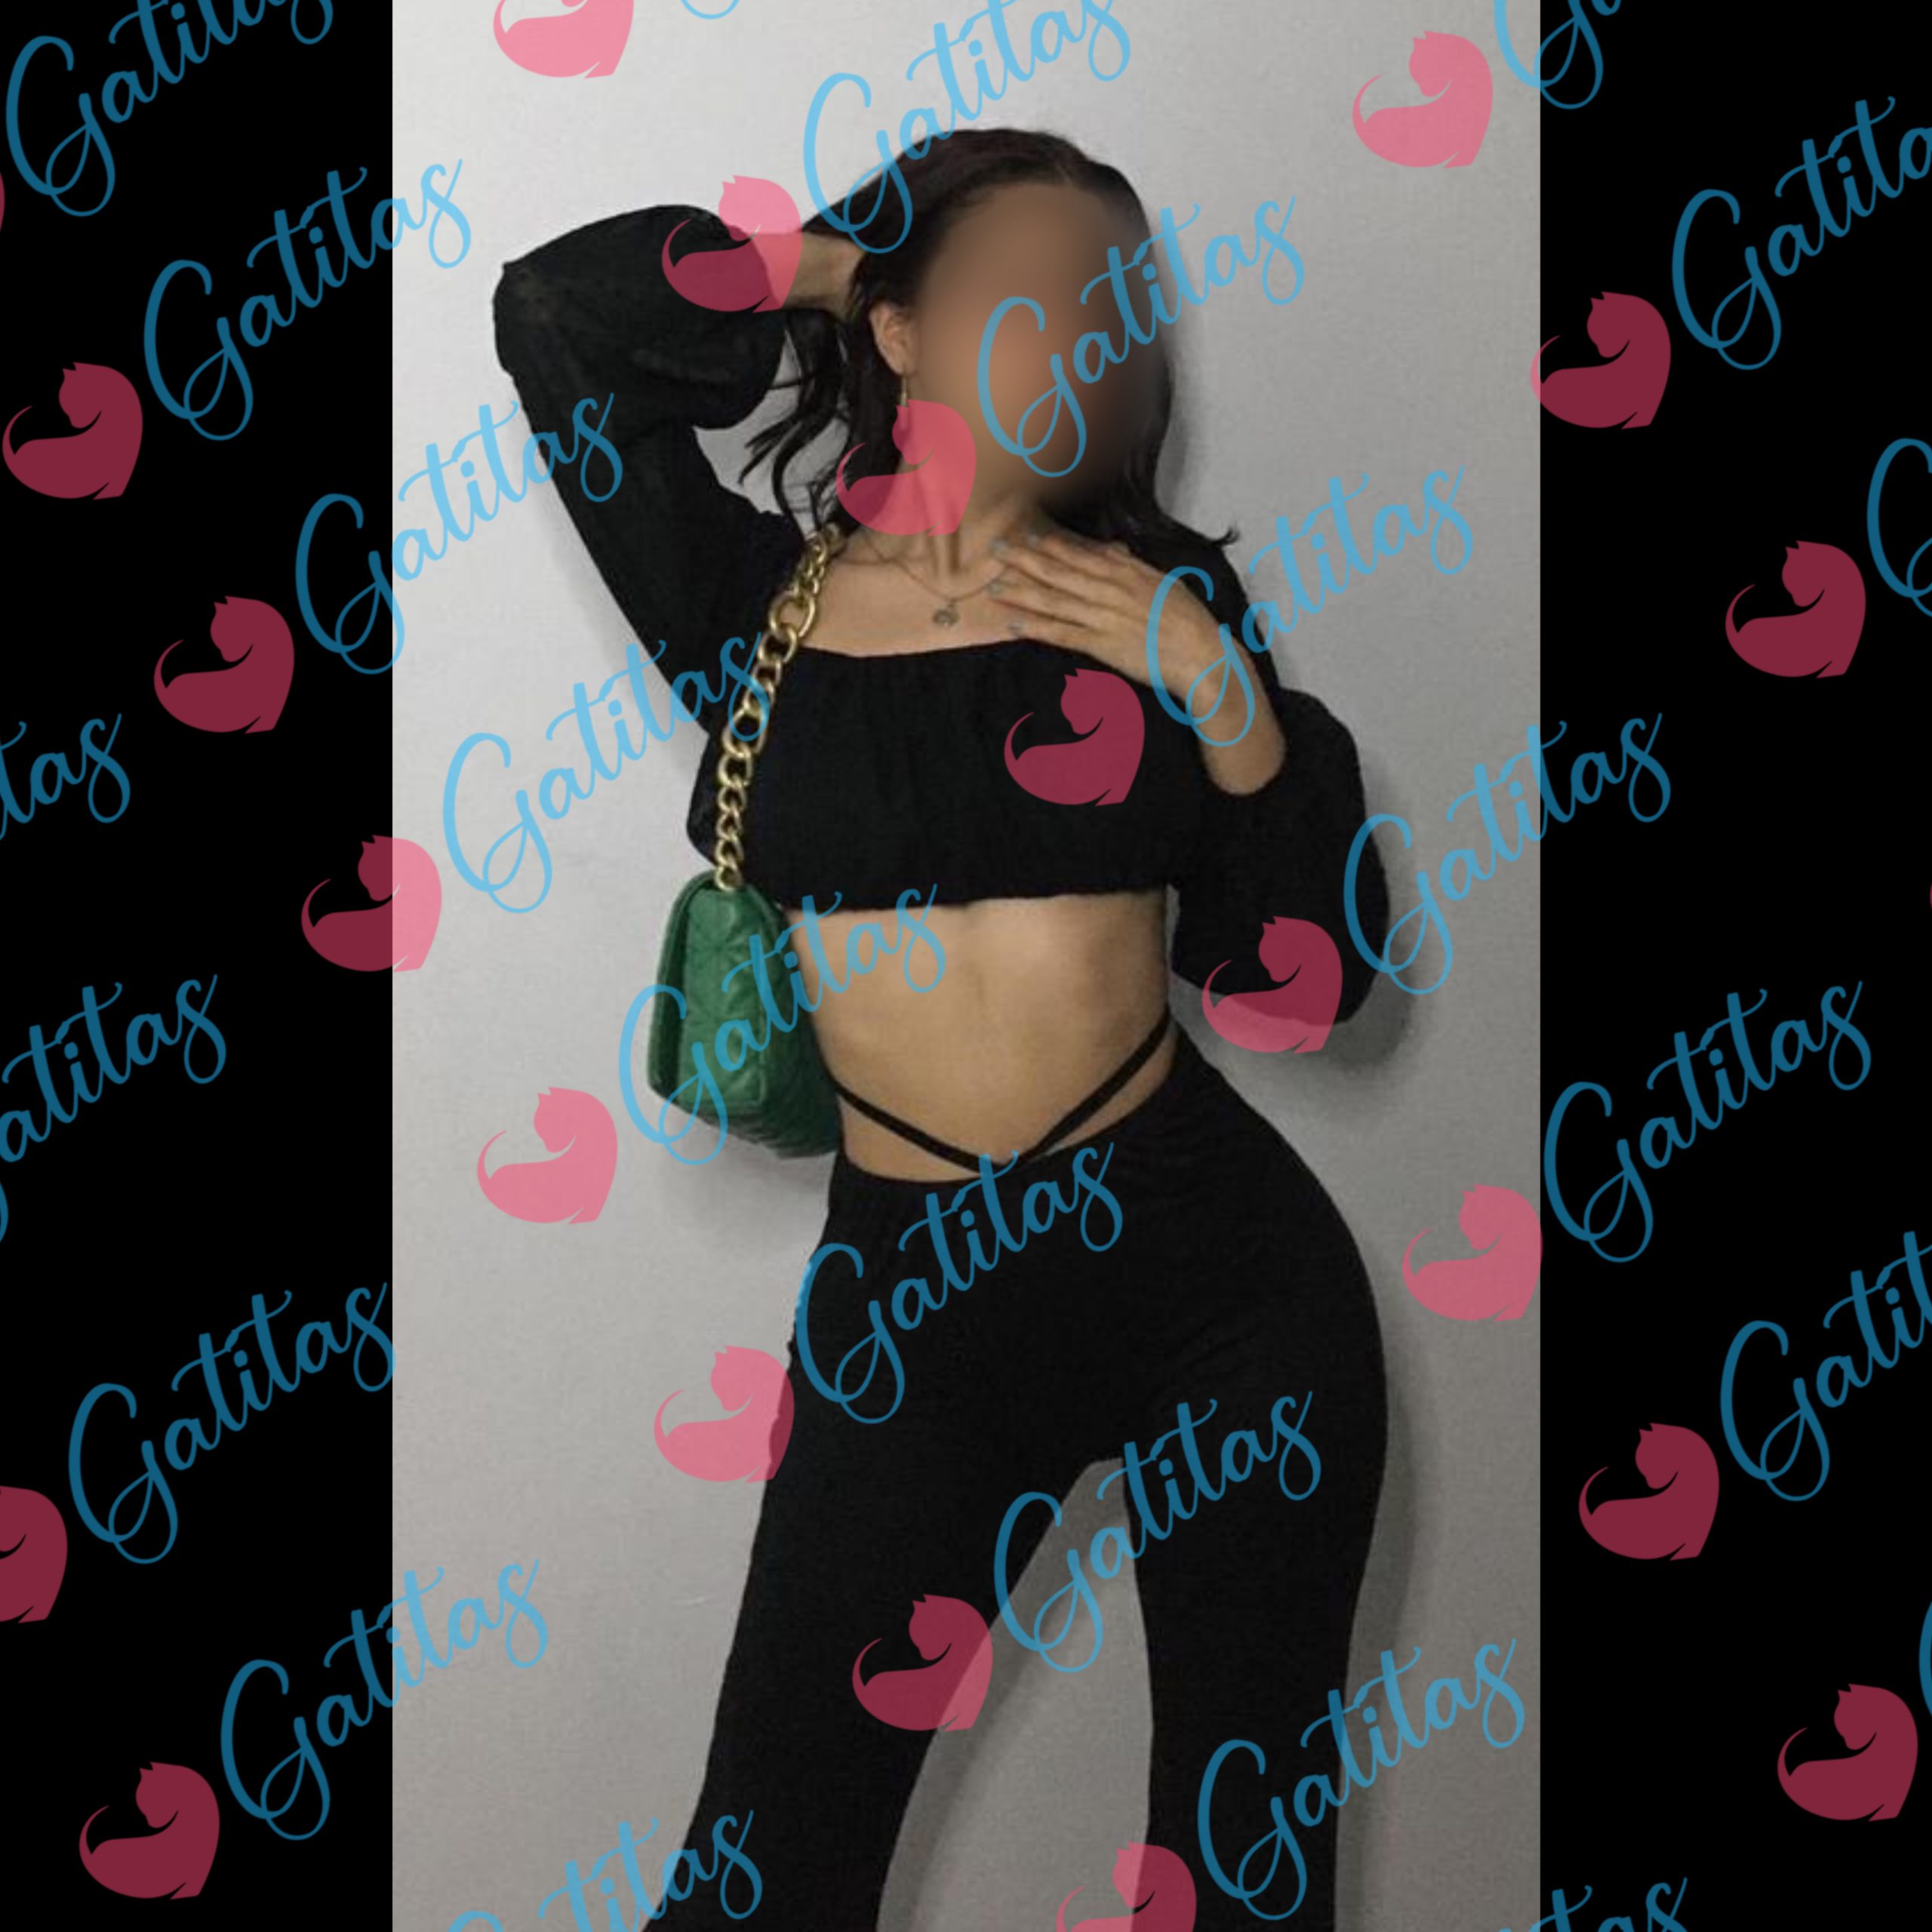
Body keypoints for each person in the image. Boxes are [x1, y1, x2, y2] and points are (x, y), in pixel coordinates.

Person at [494, 125, 1392, 1930]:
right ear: (897, 329)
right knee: (765, 1880)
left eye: (1101, 308)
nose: (1072, 337)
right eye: (1019, 298)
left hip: (1221, 1281)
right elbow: (555, 313)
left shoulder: (1158, 595)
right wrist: (845, 265)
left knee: (1241, 1883)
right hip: (910, 1298)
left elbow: (1302, 983)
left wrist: (1221, 700)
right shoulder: (749, 604)